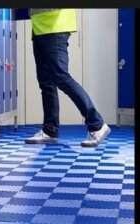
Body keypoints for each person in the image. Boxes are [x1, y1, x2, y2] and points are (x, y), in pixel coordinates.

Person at [25, 9, 111, 147]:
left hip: (55, 27)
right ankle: (50, 130)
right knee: (46, 82)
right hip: (39, 28)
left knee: (61, 76)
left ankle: (97, 125)